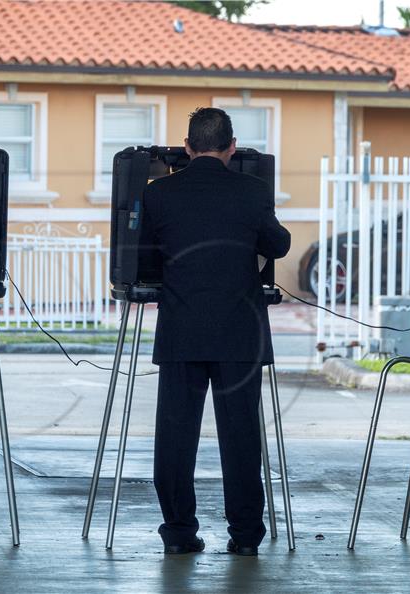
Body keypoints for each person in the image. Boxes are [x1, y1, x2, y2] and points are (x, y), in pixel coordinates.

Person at [139, 107, 291, 556]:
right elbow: (278, 244)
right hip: (238, 335)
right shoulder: (252, 190)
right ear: (232, 147)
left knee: (175, 437)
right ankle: (244, 538)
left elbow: (145, 260)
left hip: (181, 333)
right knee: (240, 436)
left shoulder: (159, 194)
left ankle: (180, 534)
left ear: (187, 147)